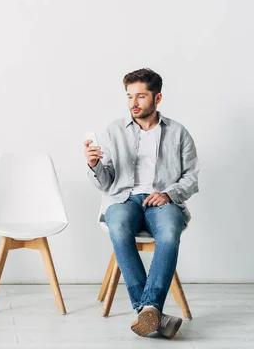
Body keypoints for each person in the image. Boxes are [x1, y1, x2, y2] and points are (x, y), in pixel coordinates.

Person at [84, 68, 199, 339]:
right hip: (123, 198)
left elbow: (191, 178)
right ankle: (151, 310)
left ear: (157, 98)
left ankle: (148, 311)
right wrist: (94, 164)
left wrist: (169, 194)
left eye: (141, 96)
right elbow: (105, 182)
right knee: (120, 228)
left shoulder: (179, 132)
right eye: (129, 96)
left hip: (163, 200)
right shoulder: (114, 130)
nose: (133, 103)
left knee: (170, 233)